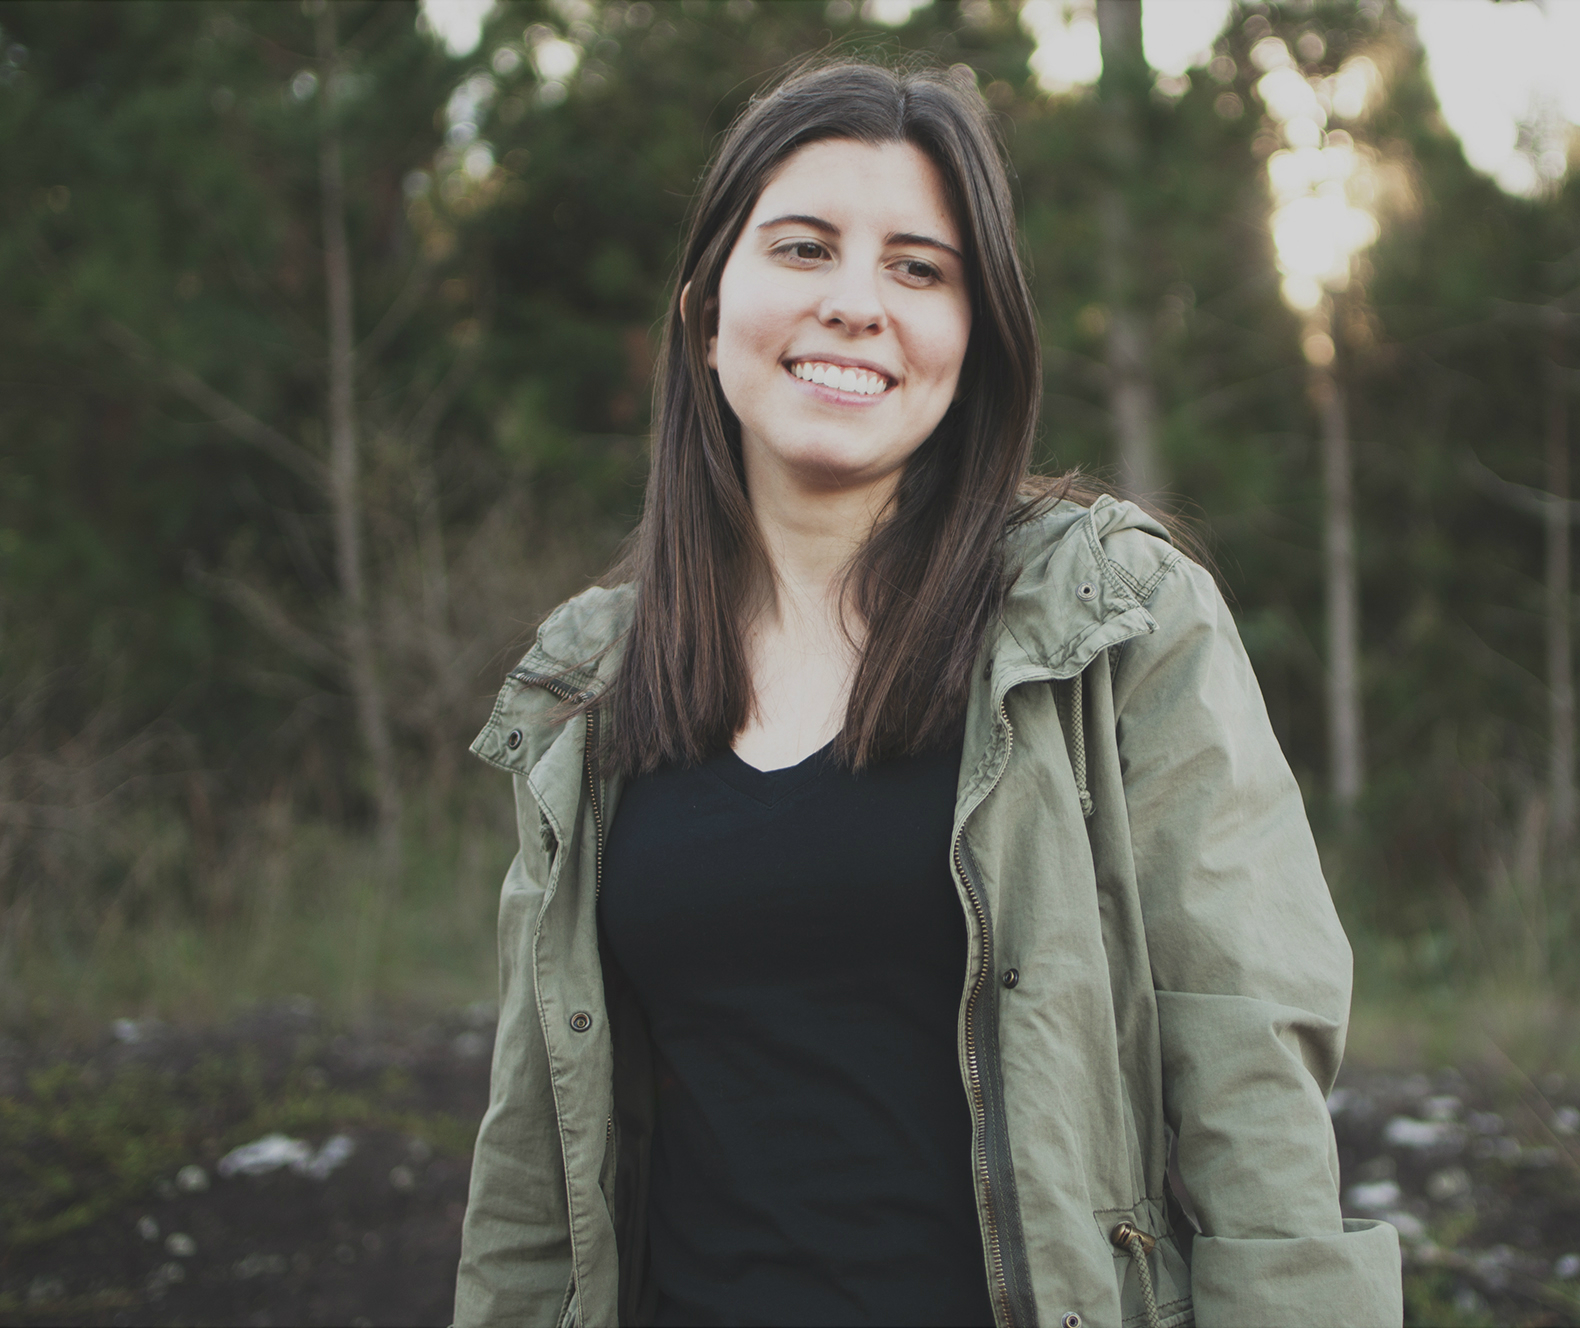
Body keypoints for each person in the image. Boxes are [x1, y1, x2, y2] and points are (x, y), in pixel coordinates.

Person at [453, 58, 1401, 1328]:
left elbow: (1248, 1065)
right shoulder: (590, 681)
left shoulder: (1112, 615)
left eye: (917, 266)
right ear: (701, 315)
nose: (856, 303)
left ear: (976, 333)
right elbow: (532, 1157)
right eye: (802, 248)